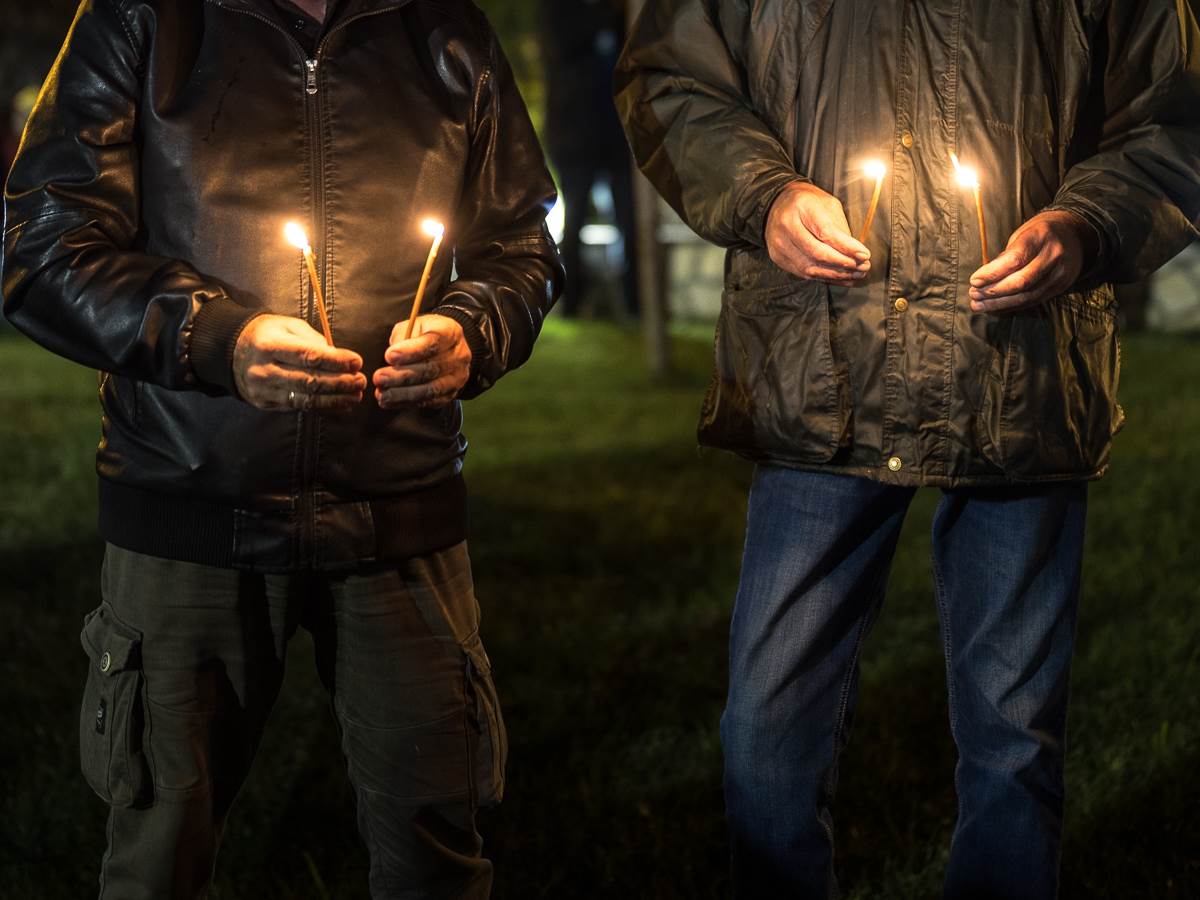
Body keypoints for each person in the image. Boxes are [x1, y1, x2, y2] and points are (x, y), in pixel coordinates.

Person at [615, 1, 1199, 897]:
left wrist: (1086, 224)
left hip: (1016, 374)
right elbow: (671, 78)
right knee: (769, 728)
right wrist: (764, 193)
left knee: (1015, 735)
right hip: (826, 371)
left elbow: (1175, 110)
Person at [2, 0, 562, 896]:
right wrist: (216, 339)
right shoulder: (141, 18)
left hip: (399, 508)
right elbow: (44, 249)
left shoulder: (445, 28)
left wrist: (474, 326)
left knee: (437, 857)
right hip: (188, 506)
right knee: (159, 858)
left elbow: (523, 242)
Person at [540, 0, 638, 317]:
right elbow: (561, 48)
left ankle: (635, 301)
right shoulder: (565, 12)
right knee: (575, 219)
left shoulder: (623, 16)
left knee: (629, 220)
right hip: (577, 135)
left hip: (617, 136)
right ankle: (572, 301)